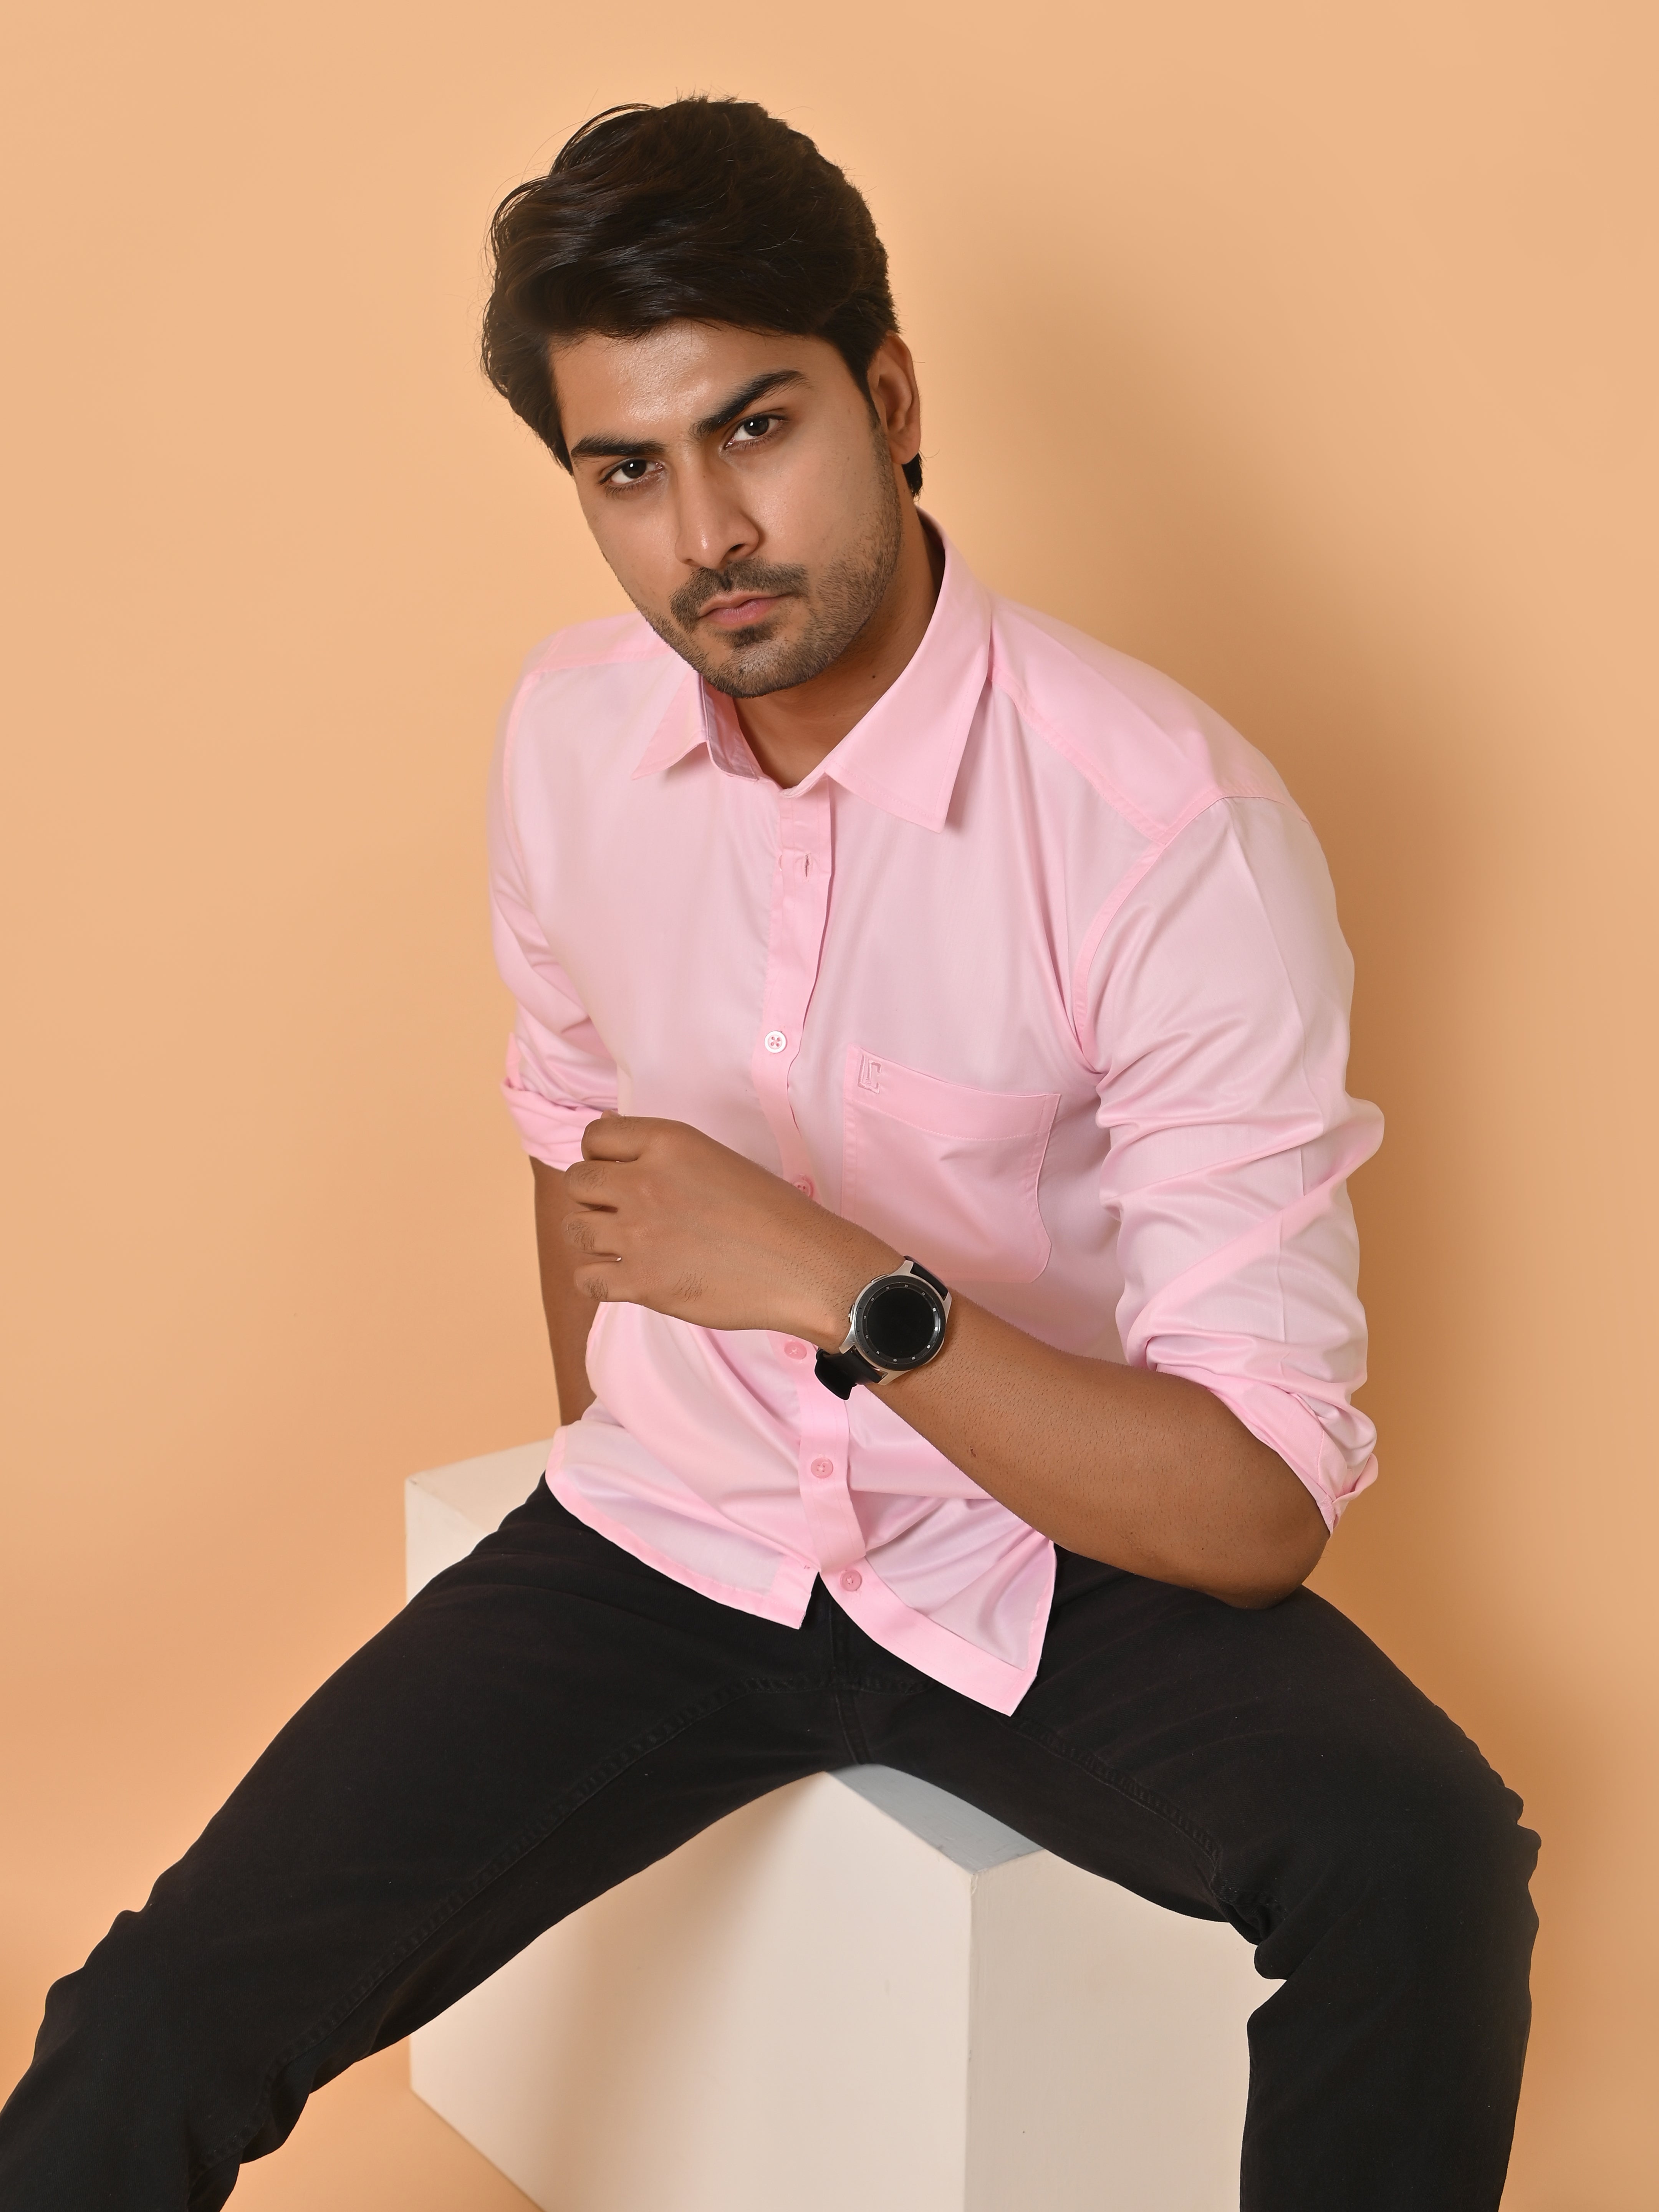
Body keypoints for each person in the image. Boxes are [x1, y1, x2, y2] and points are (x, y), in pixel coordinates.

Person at [0, 96, 1537, 2210]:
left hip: (1042, 1558)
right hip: (674, 1538)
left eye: (756, 428)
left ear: (888, 401)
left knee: (1420, 1857)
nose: (707, 531)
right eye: (626, 471)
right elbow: (567, 1118)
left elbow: (1262, 1509)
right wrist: (618, 1451)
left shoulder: (1167, 828)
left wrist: (835, 1285)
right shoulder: (568, 736)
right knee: (158, 2016)